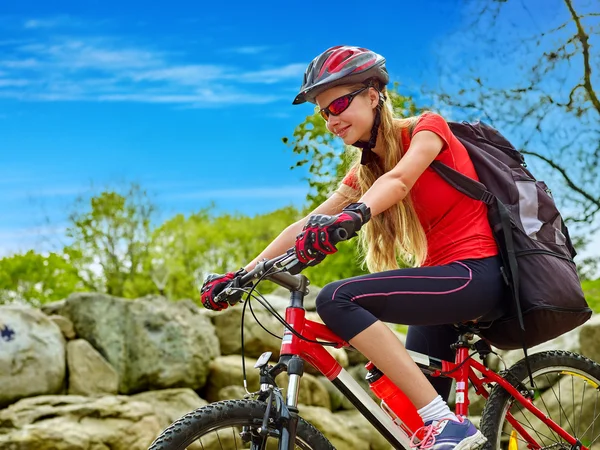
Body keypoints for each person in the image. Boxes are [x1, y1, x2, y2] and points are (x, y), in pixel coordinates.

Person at [200, 45, 507, 450]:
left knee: (337, 299)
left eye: (339, 103)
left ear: (373, 95)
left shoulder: (427, 129)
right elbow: (307, 222)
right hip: (440, 292)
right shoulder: (364, 172)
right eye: (324, 111)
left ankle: (447, 424)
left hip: (476, 274)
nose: (331, 119)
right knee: (412, 425)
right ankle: (443, 427)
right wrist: (241, 274)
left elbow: (398, 181)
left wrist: (356, 214)